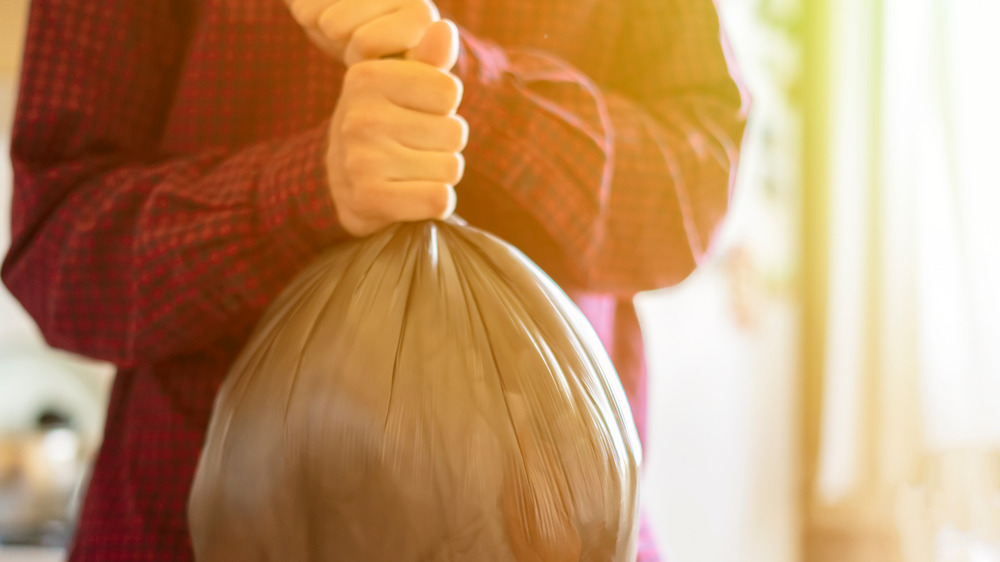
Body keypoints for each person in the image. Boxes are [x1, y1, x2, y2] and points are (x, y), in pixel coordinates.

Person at [1, 0, 747, 560]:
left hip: (551, 533)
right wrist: (305, 192)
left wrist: (463, 86)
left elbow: (691, 197)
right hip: (190, 532)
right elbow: (59, 254)